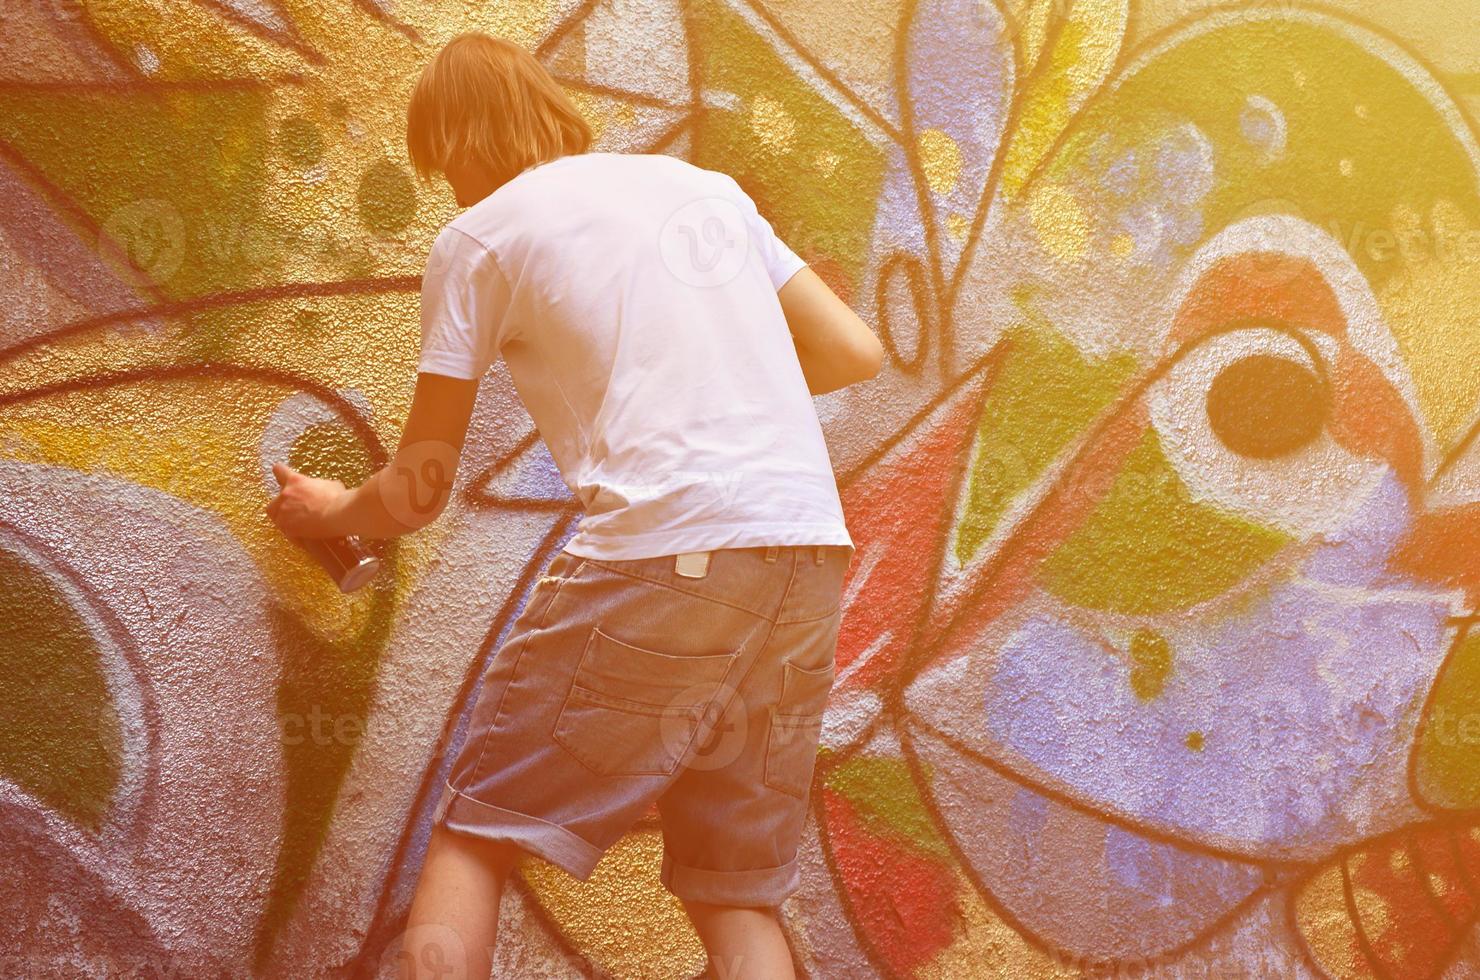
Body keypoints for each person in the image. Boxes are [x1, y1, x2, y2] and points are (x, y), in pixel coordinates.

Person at [266, 31, 883, 980]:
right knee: (734, 891)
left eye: (445, 168)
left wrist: (334, 509)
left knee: (479, 830)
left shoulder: (481, 238)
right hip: (805, 556)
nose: (453, 192)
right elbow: (852, 352)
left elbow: (422, 488)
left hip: (667, 554)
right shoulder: (702, 193)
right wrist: (715, 378)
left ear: (460, 142)